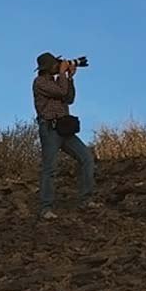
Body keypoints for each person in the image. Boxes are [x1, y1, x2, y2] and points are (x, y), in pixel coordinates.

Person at [33, 51, 99, 220]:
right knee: (50, 169)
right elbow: (61, 93)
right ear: (48, 68)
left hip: (64, 129)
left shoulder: (57, 81)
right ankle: (45, 208)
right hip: (49, 129)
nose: (58, 66)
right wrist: (63, 74)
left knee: (87, 158)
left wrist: (70, 78)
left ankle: (87, 199)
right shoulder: (40, 82)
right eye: (55, 64)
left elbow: (69, 98)